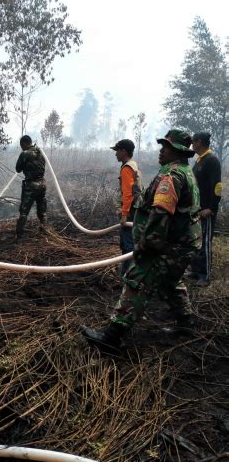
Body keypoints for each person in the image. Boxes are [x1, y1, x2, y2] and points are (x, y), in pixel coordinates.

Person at [81, 129, 201, 352]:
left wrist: (147, 244)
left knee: (137, 280)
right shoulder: (186, 171)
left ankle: (112, 337)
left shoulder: (171, 176)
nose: (161, 151)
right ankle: (186, 324)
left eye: (165, 147)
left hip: (168, 245)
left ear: (176, 151)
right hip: (186, 244)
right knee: (170, 281)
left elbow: (160, 213)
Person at [188, 132, 222, 286]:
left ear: (199, 142)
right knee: (196, 241)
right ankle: (195, 270)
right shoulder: (199, 161)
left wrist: (211, 208)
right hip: (197, 209)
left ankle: (205, 276)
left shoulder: (211, 160)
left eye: (193, 142)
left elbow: (217, 186)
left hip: (206, 210)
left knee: (205, 242)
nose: (192, 145)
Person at [111, 139, 142, 275]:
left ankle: (128, 275)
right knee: (130, 242)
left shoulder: (126, 169)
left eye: (117, 151)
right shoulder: (133, 165)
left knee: (128, 244)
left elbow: (128, 194)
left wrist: (124, 215)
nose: (115, 154)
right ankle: (128, 271)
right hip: (136, 209)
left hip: (130, 211)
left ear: (124, 151)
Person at [15, 135, 47, 239]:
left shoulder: (25, 154)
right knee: (42, 208)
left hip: (31, 185)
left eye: (21, 146)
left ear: (24, 144)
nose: (21, 148)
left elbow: (18, 169)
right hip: (42, 184)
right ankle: (44, 229)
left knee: (24, 211)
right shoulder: (40, 153)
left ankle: (18, 235)